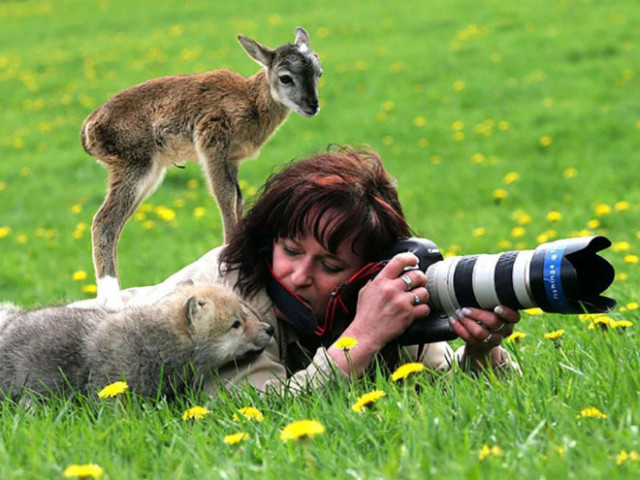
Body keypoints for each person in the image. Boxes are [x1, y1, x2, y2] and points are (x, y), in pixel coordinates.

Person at [88, 146, 521, 395]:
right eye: (291, 249)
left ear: (368, 271)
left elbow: (446, 385)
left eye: (330, 265)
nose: (298, 275)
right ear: (269, 236)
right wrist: (361, 340)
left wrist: (483, 351)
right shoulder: (222, 303)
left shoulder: (379, 293)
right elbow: (262, 417)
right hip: (66, 350)